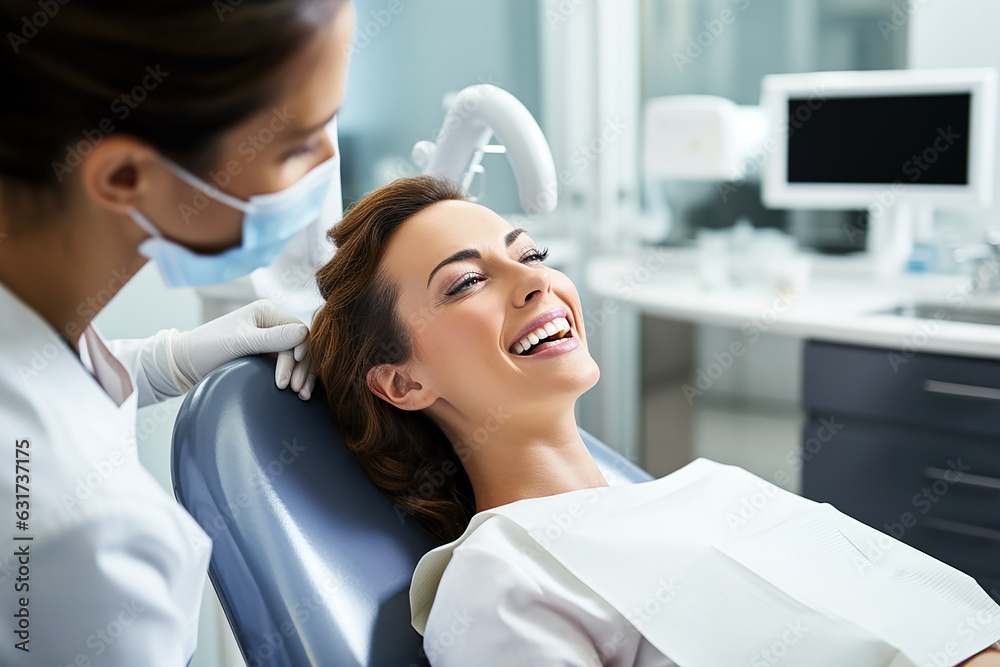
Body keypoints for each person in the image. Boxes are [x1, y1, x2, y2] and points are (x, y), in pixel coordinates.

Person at [309, 175, 1000, 667]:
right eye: (466, 282)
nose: (537, 281)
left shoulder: (715, 491)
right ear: (402, 382)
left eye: (530, 255)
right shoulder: (501, 578)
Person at [0, 0, 354, 663]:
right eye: (298, 144)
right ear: (125, 176)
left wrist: (169, 360)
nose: (330, 162)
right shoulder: (85, 539)